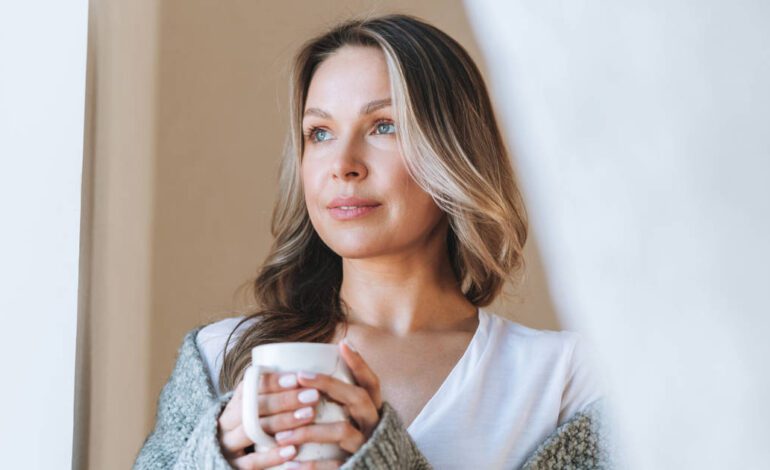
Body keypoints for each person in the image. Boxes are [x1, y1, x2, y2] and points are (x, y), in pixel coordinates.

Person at [134, 13, 612, 470]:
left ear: (453, 149)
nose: (343, 164)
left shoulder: (566, 380)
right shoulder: (218, 356)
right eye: (319, 133)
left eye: (384, 126)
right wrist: (214, 459)